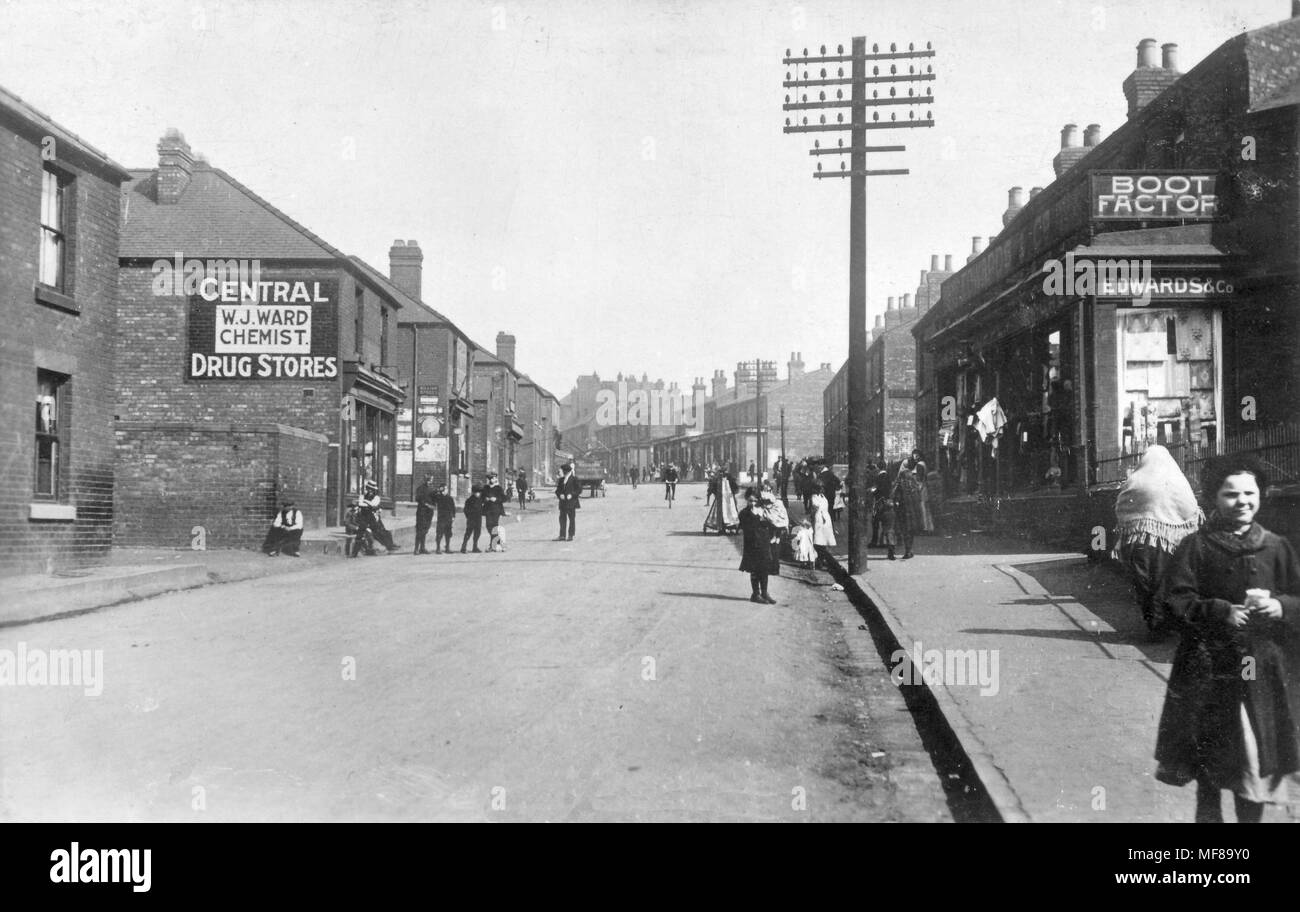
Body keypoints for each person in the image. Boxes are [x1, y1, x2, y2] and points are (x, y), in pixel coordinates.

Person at [1154, 456, 1300, 824]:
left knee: (1254, 759)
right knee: (1210, 758)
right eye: (1230, 493)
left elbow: (1297, 595)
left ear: (1261, 496)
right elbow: (1174, 602)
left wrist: (1281, 607)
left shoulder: (1275, 547)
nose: (1242, 501)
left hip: (1260, 671)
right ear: (1213, 498)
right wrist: (1221, 612)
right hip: (1208, 670)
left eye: (1250, 493)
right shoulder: (1196, 547)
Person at [1112, 445, 1202, 636]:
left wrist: (1135, 524)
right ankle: (1164, 621)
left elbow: (1121, 506)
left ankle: (1153, 622)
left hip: (1139, 543)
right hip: (1168, 544)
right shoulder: (1177, 480)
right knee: (1165, 581)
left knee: (1144, 583)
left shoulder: (1135, 480)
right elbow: (1190, 508)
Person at [739, 489, 781, 604]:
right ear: (747, 500)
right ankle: (755, 593)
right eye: (750, 501)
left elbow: (772, 523)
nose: (752, 503)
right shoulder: (744, 513)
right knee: (754, 569)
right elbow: (747, 528)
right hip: (752, 545)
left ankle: (764, 592)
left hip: (764, 543)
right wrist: (756, 517)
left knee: (764, 568)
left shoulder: (763, 511)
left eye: (755, 501)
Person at [354, 480, 396, 555]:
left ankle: (388, 546)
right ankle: (354, 553)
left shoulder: (376, 497)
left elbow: (373, 504)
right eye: (368, 489)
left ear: (374, 490)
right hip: (363, 517)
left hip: (372, 517)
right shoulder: (362, 496)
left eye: (371, 489)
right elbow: (360, 504)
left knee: (379, 532)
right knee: (360, 533)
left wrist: (365, 502)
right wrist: (366, 503)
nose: (370, 491)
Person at [893, 462, 924, 560]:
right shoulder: (915, 486)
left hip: (903, 512)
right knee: (911, 532)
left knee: (905, 531)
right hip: (913, 512)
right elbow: (919, 499)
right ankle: (909, 550)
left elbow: (895, 498)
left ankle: (908, 551)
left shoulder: (900, 486)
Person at [703, 466, 740, 534]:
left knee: (729, 512)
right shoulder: (719, 478)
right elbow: (713, 487)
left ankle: (728, 526)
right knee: (725, 513)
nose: (723, 474)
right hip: (724, 499)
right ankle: (724, 527)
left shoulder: (727, 478)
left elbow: (735, 487)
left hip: (728, 499)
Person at [809, 481, 836, 569]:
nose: (822, 489)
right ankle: (819, 560)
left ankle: (822, 559)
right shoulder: (814, 497)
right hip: (819, 518)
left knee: (824, 540)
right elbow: (814, 507)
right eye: (820, 488)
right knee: (818, 540)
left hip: (826, 518)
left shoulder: (823, 496)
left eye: (822, 488)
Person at [872, 469, 898, 560]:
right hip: (889, 508)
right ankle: (891, 548)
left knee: (877, 526)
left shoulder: (877, 487)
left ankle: (878, 541)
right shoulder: (891, 486)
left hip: (879, 508)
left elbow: (872, 492)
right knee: (889, 529)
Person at [908, 449, 936, 533]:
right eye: (914, 455)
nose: (915, 457)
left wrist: (916, 486)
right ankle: (929, 527)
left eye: (916, 455)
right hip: (924, 487)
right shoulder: (923, 464)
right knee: (926, 508)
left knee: (922, 508)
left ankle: (925, 527)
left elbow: (919, 479)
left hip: (920, 488)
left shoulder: (919, 465)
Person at [555, 463, 581, 540]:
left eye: (562, 471)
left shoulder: (574, 479)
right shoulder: (561, 480)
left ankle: (570, 535)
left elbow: (579, 490)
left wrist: (572, 495)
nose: (561, 472)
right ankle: (562, 536)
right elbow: (557, 491)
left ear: (566, 471)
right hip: (563, 503)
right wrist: (560, 495)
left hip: (571, 503)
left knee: (571, 519)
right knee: (562, 519)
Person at [413, 473, 435, 555]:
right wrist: (427, 505)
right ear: (426, 479)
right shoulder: (420, 488)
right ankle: (416, 549)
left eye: (431, 479)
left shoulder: (432, 489)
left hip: (429, 512)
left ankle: (422, 547)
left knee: (425, 529)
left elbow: (434, 499)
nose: (430, 481)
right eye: (429, 479)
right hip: (422, 511)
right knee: (420, 530)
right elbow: (418, 499)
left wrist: (434, 505)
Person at [481, 472, 507, 542]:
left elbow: (504, 498)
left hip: (496, 510)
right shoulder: (485, 488)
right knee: (488, 526)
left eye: (494, 478)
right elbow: (481, 497)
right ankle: (498, 541)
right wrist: (485, 499)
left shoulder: (498, 488)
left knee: (494, 526)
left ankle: (492, 545)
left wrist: (496, 499)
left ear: (496, 479)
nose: (492, 480)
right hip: (488, 510)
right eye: (491, 478)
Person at [433, 483, 457, 554]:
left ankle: (447, 547)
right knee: (439, 533)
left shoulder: (450, 498)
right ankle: (438, 548)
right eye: (444, 489)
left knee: (448, 533)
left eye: (446, 489)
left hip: (449, 518)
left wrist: (453, 516)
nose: (446, 490)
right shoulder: (438, 497)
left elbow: (453, 508)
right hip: (441, 518)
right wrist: (438, 491)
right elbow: (432, 496)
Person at [460, 484, 484, 553]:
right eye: (477, 492)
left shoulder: (480, 500)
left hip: (478, 519)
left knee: (477, 533)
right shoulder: (469, 500)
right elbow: (465, 510)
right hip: (471, 519)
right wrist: (469, 517)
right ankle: (463, 547)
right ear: (473, 492)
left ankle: (475, 547)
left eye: (479, 492)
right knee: (468, 533)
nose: (478, 494)